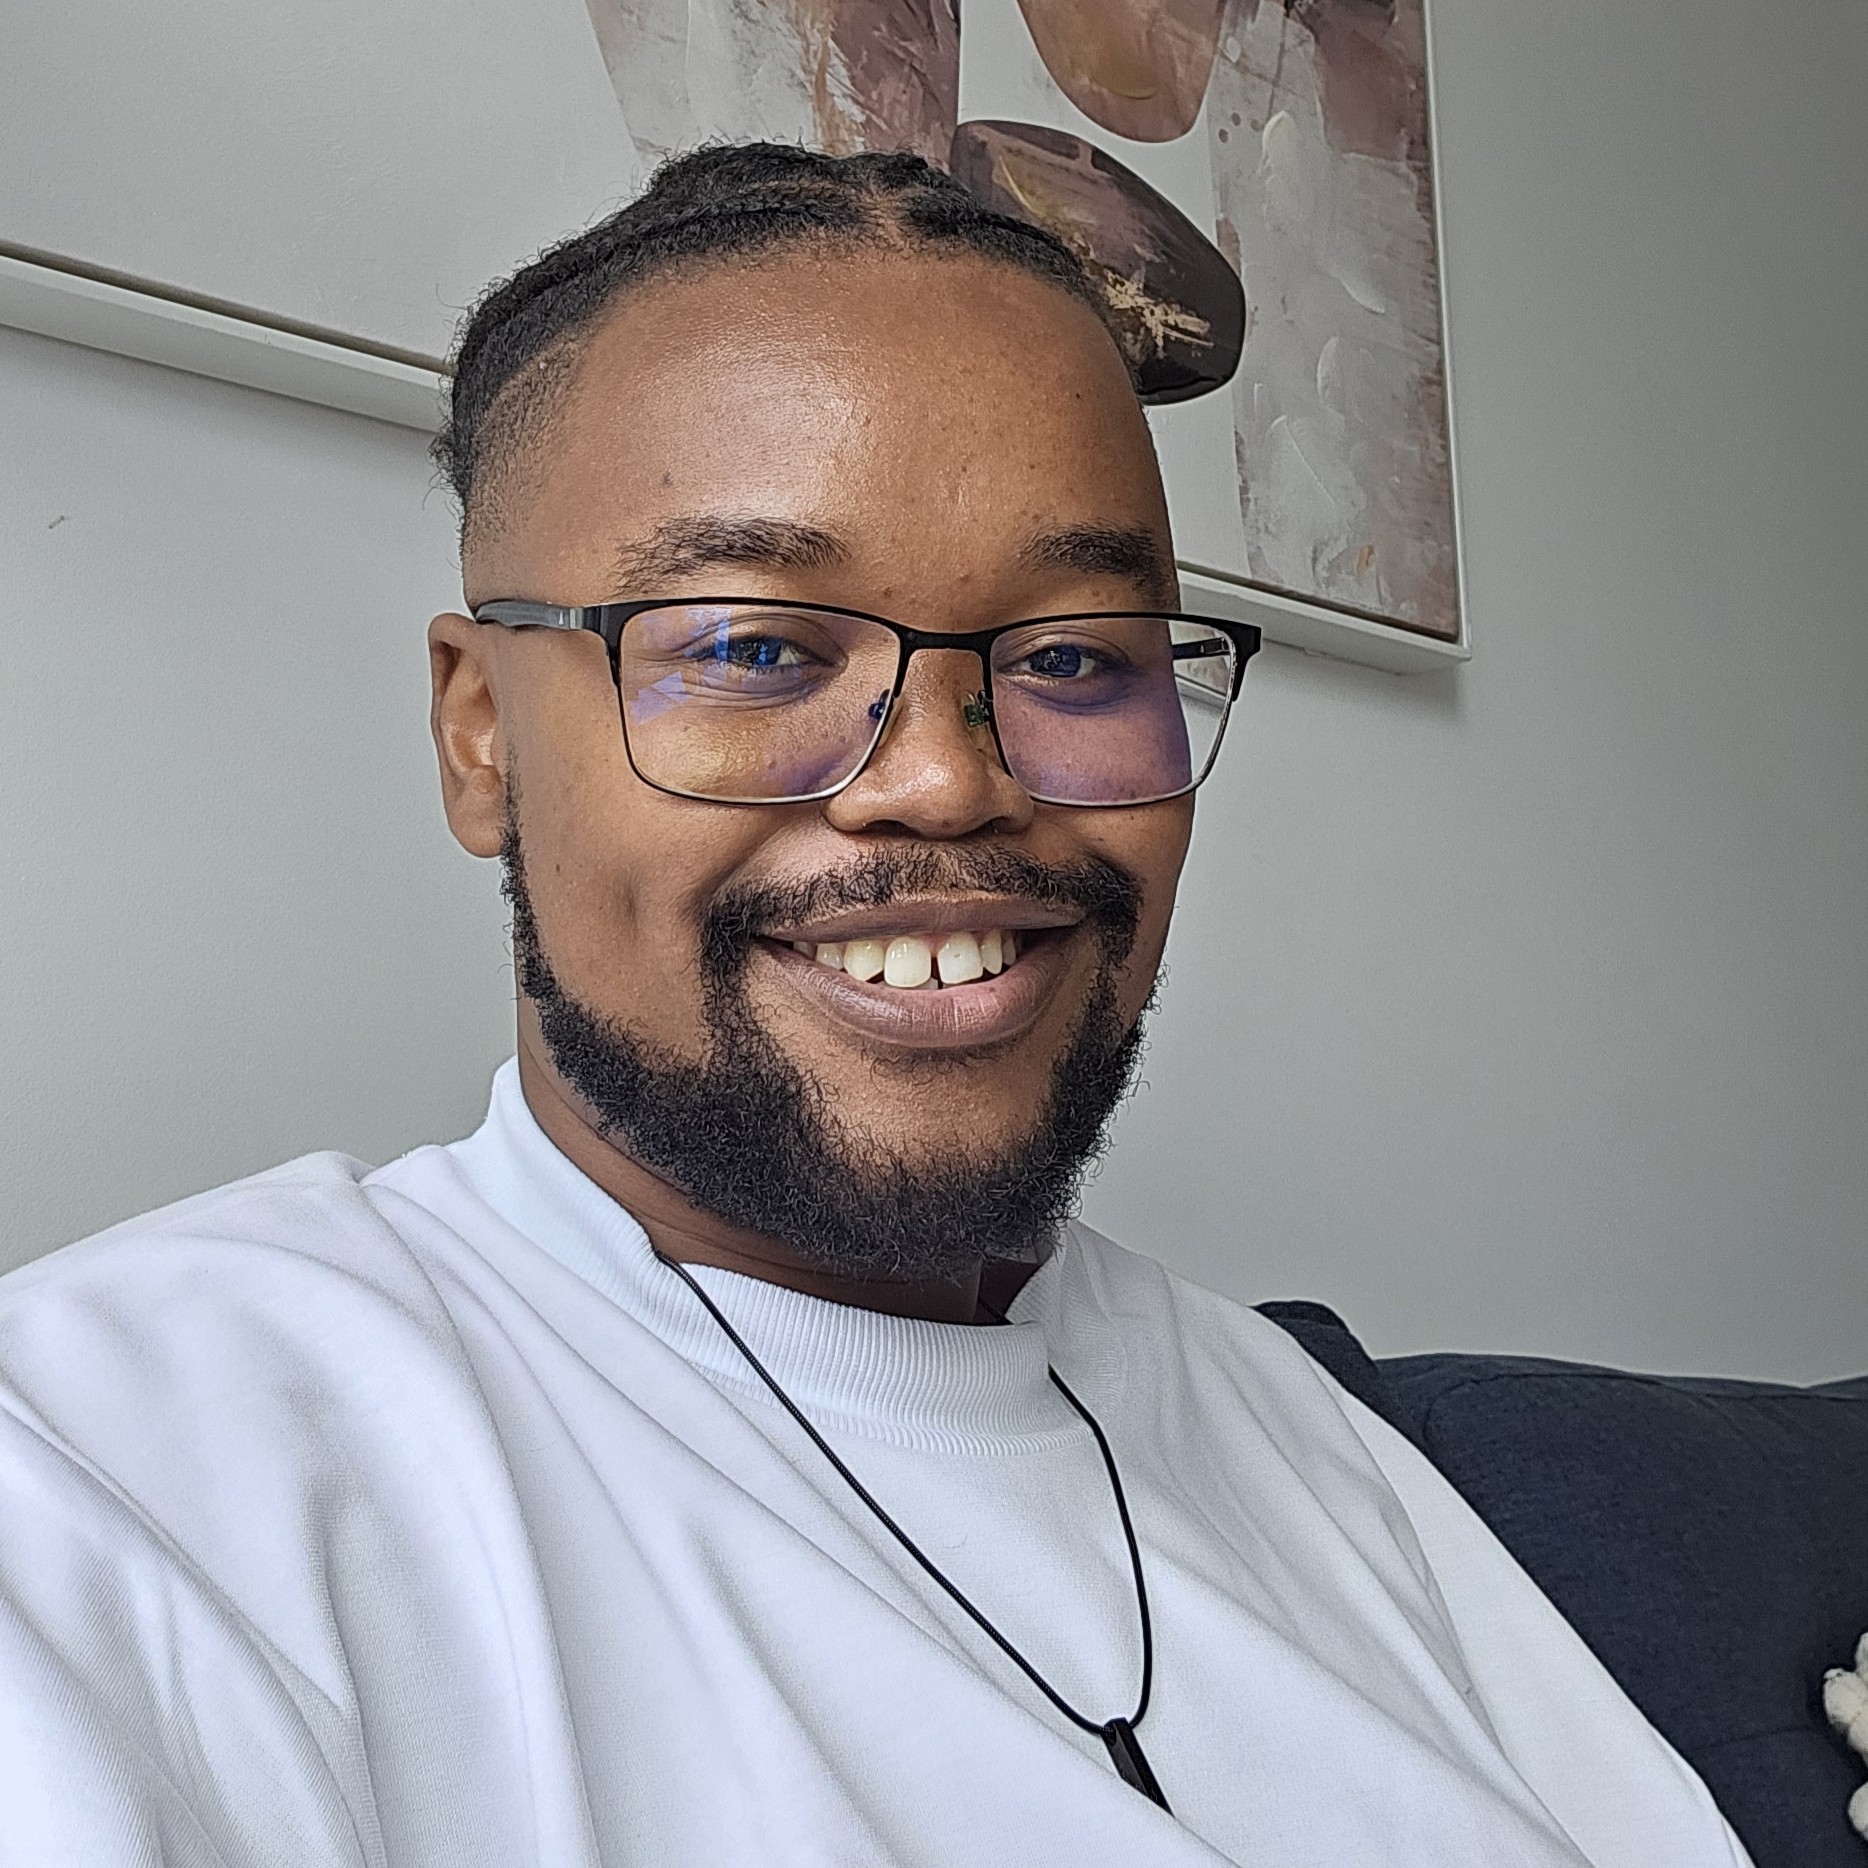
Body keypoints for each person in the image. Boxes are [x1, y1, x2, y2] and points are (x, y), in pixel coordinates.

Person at [0, 144, 1750, 1866]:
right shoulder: (120, 1472)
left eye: (1074, 656)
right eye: (756, 648)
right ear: (481, 737)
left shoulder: (1310, 1442)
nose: (946, 782)